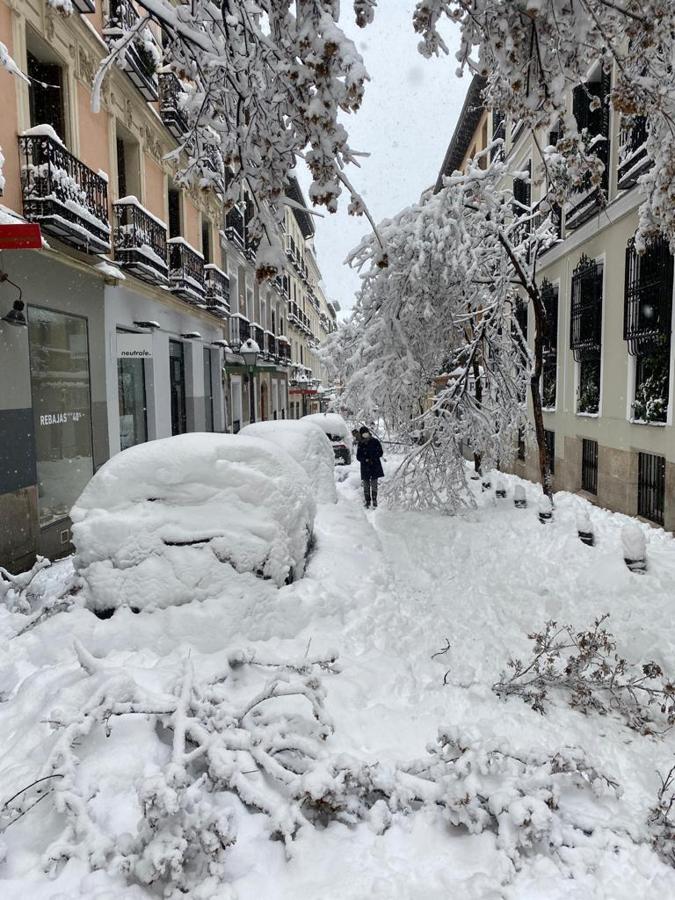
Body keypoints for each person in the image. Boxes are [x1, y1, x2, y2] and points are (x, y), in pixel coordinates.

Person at [356, 426, 384, 509]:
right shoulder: (360, 444)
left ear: (368, 433)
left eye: (366, 433)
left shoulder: (375, 441)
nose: (365, 434)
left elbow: (380, 452)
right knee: (366, 485)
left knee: (374, 484)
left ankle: (374, 500)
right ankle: (367, 501)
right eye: (363, 433)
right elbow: (358, 456)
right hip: (365, 467)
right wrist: (365, 460)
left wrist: (373, 457)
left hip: (375, 465)